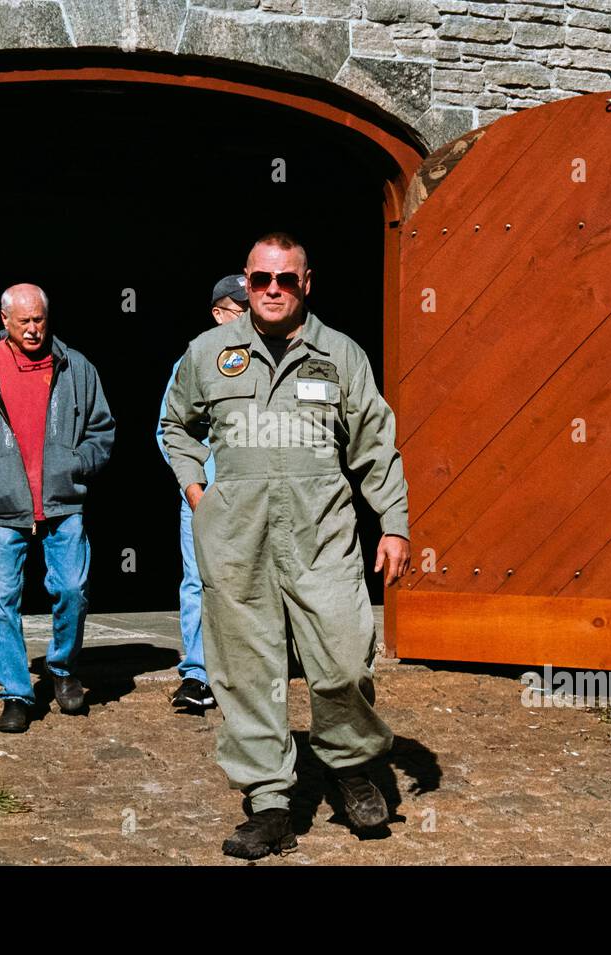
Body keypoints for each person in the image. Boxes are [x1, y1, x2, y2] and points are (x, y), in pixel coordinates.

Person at [159, 232, 411, 859]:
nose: (274, 290)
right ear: (245, 283)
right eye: (261, 279)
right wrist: (197, 491)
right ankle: (269, 801)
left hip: (320, 534)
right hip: (236, 539)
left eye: (287, 279)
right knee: (247, 672)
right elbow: (175, 424)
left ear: (307, 282)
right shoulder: (209, 352)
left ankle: (349, 767)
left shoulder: (341, 354)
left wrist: (395, 522)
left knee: (345, 658)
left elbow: (375, 441)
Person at [0, 283, 115, 734]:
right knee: (2, 602)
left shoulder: (76, 367)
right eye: (24, 322)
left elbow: (102, 430)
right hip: (1, 507)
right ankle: (16, 693)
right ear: (5, 320)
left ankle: (62, 669)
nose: (34, 329)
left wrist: (75, 466)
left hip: (62, 503)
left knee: (72, 589)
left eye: (40, 320)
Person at [155, 274, 249, 711]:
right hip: (207, 494)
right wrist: (195, 488)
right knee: (199, 582)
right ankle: (198, 675)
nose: (251, 316)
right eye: (241, 309)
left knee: (257, 581)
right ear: (218, 313)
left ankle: (250, 672)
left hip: (258, 493)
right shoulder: (195, 361)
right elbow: (171, 429)